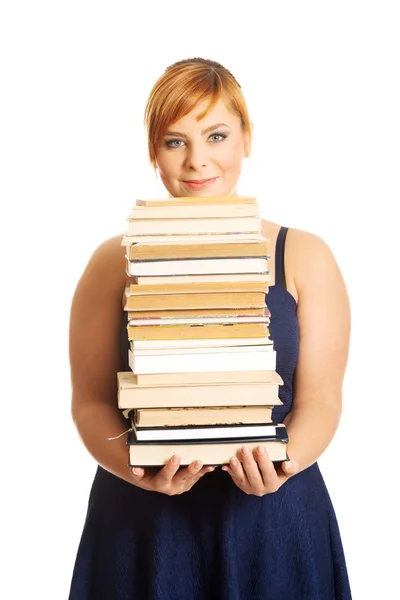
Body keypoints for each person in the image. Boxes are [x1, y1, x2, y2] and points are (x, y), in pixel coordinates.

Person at [68, 57, 352, 599]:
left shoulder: (304, 255)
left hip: (273, 515)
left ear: (245, 139)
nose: (198, 160)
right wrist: (136, 473)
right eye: (174, 141)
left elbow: (322, 400)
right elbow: (89, 402)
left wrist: (284, 461)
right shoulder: (113, 261)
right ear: (153, 151)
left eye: (216, 135)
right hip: (143, 521)